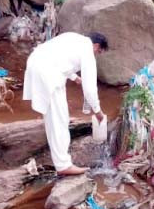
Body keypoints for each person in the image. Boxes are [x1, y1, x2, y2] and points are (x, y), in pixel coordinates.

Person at [23, 32, 109, 176]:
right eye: (98, 52)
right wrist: (98, 112)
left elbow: (58, 57)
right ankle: (63, 165)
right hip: (47, 72)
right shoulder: (87, 51)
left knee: (53, 118)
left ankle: (60, 161)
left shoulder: (74, 38)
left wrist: (74, 77)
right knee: (60, 120)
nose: (96, 55)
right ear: (96, 45)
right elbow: (90, 89)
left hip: (36, 63)